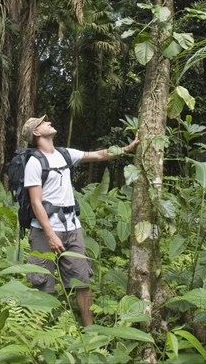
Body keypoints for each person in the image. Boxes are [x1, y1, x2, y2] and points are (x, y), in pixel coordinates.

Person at [22, 114, 139, 326]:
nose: (48, 122)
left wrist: (127, 148)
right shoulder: (34, 162)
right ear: (37, 133)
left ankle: (91, 331)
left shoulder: (65, 154)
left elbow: (98, 155)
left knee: (82, 281)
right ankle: (36, 334)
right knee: (42, 283)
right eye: (43, 122)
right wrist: (50, 235)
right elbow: (36, 203)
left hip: (72, 227)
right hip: (44, 231)